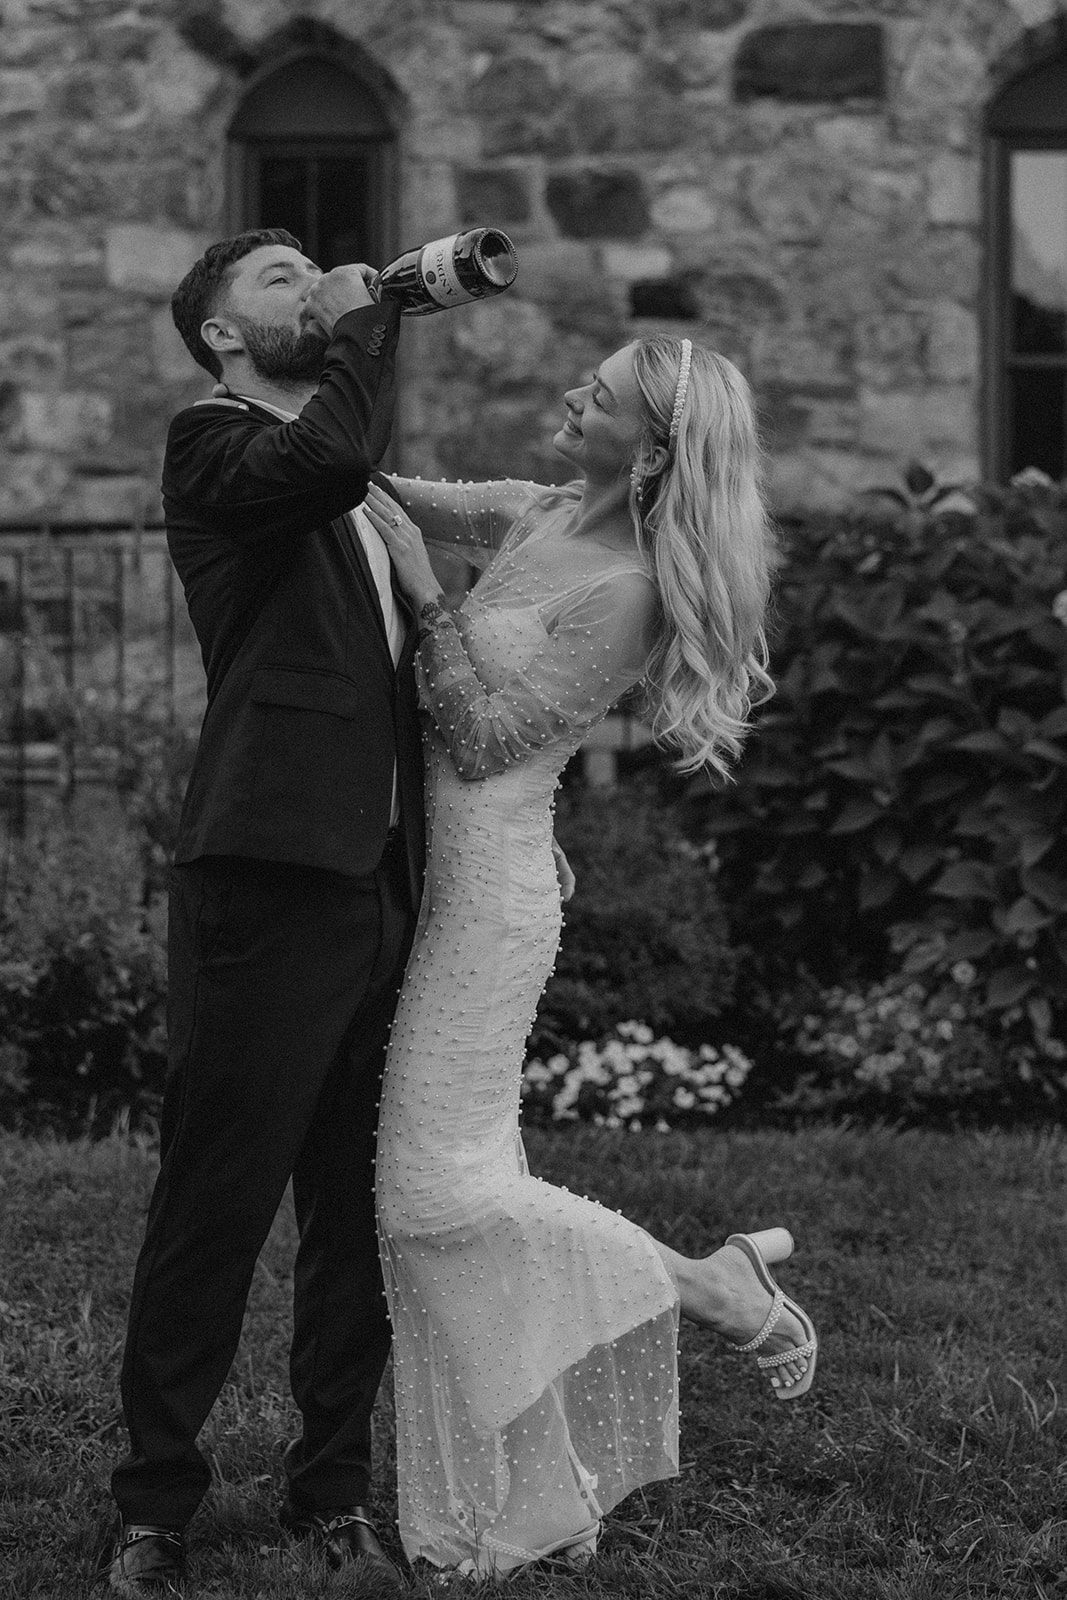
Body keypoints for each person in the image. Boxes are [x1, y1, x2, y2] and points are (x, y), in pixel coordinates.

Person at [360, 334, 819, 1580]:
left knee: (434, 1197)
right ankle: (537, 1492)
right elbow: (380, 488)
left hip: (489, 911)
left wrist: (426, 596)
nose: (571, 393)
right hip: (445, 889)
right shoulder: (538, 512)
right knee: (436, 1196)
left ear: (654, 447)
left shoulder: (621, 587)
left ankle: (712, 1286)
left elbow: (487, 733)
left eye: (601, 396)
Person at [105, 229, 424, 1593]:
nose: (319, 282)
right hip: (265, 880)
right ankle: (153, 1506)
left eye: (320, 271)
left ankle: (333, 1487)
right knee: (217, 1200)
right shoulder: (215, 441)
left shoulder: (352, 490)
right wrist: (369, 320)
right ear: (226, 333)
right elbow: (330, 457)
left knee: (354, 1210)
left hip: (379, 881)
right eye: (282, 276)